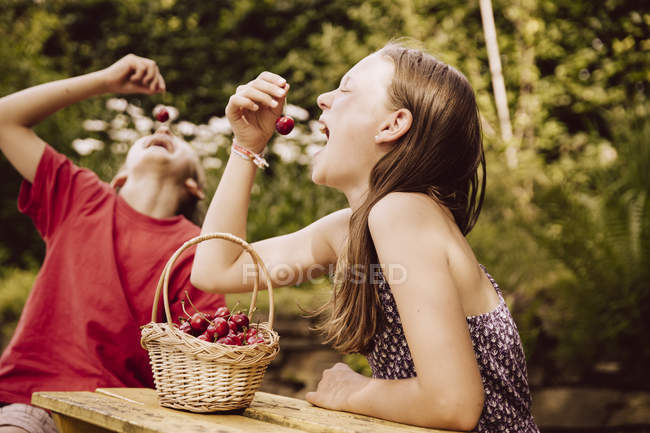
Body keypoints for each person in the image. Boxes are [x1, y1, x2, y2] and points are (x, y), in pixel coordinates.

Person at [191, 41, 540, 432]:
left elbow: (453, 404)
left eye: (345, 89)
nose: (324, 98)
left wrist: (350, 391)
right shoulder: (353, 228)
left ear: (392, 125)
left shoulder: (404, 212)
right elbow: (215, 269)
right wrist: (246, 146)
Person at [0, 54, 226, 433]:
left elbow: (202, 363)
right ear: (119, 176)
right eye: (149, 139)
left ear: (195, 186)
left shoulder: (200, 254)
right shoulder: (80, 195)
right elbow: (6, 118)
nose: (165, 133)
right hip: (34, 400)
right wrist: (104, 81)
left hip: (121, 417)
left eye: (181, 142)